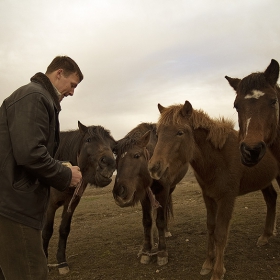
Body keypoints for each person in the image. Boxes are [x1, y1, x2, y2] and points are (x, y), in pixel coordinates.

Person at [0, 56, 84, 280]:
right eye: (72, 85)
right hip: (15, 207)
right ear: (59, 74)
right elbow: (30, 154)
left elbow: (26, 151)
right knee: (31, 272)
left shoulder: (36, 97)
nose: (72, 92)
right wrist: (66, 174)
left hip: (14, 203)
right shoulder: (35, 97)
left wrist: (58, 165)